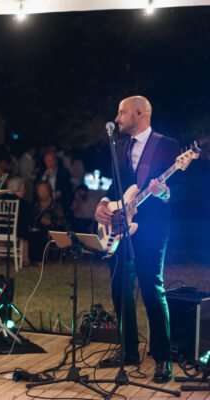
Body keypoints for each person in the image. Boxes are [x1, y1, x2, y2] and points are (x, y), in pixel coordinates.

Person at [94, 96, 180, 383]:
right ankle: (128, 352)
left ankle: (162, 357)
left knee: (151, 289)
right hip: (121, 226)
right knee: (120, 288)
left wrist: (163, 191)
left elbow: (179, 187)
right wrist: (103, 203)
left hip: (153, 228)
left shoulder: (167, 145)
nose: (117, 118)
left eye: (122, 113)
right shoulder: (119, 145)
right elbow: (114, 184)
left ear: (139, 113)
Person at [27, 181, 66, 263]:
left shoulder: (55, 204)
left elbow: (62, 221)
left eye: (45, 190)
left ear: (49, 191)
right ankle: (32, 258)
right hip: (38, 230)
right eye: (40, 190)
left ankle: (40, 259)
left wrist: (50, 222)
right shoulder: (36, 205)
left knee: (41, 234)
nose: (43, 193)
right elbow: (31, 219)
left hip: (52, 231)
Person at [36, 149, 73, 213]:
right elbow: (37, 186)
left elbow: (69, 188)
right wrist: (45, 176)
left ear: (56, 160)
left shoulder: (64, 172)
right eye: (47, 161)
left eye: (52, 161)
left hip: (59, 203)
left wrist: (61, 192)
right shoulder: (41, 171)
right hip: (44, 202)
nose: (50, 164)